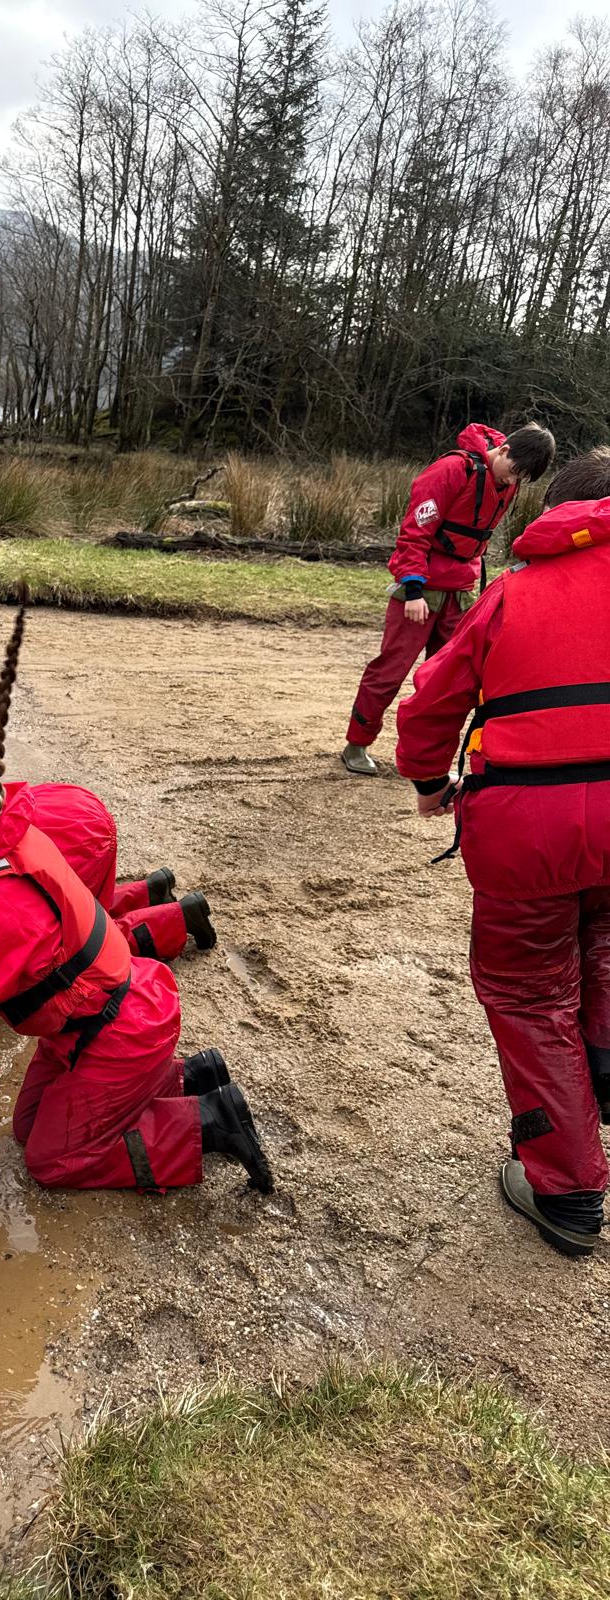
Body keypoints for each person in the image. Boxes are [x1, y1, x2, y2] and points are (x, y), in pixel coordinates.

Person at [0, 604, 274, 1224]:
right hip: (102, 1014)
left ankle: (210, 1122)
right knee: (26, 1130)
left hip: (120, 1029)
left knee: (52, 1161)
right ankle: (192, 1077)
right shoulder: (4, 836)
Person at [395, 447, 610, 1258]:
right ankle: (603, 1073)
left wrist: (428, 782)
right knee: (606, 947)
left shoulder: (513, 593)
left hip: (529, 830)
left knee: (529, 995)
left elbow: (431, 704)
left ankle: (568, 1191)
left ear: (554, 512)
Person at [342, 423, 555, 775]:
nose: (513, 481)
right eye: (513, 471)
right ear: (503, 451)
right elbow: (414, 531)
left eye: (522, 478)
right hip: (420, 589)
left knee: (449, 681)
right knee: (390, 671)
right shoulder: (451, 469)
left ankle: (429, 761)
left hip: (460, 591)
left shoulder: (506, 481)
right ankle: (356, 744)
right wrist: (412, 590)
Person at [0, 778, 218, 968]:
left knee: (69, 949)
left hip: (76, 833)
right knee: (70, 903)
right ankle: (150, 890)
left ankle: (180, 917)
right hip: (61, 810)